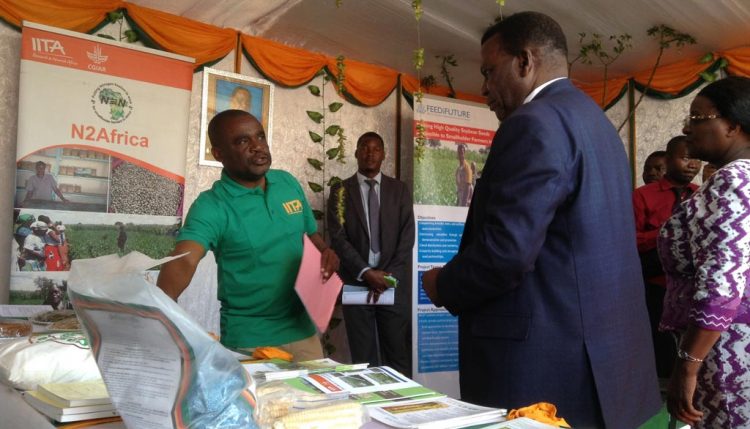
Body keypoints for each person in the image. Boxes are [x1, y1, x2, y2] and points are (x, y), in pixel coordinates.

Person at [420, 12, 660, 428]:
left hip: (543, 364)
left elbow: (506, 253)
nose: (485, 88)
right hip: (601, 361)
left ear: (525, 62)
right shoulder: (597, 124)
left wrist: (444, 285)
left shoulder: (532, 123)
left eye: (490, 71)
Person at [157, 109, 339, 360]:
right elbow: (186, 257)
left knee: (321, 398)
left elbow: (310, 236)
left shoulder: (287, 183)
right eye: (243, 141)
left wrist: (326, 252)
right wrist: (160, 314)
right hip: (251, 342)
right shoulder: (212, 205)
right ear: (218, 154)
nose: (257, 147)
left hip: (303, 333)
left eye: (260, 137)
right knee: (264, 401)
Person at [659, 76, 750, 428]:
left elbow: (723, 283)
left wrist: (687, 365)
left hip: (727, 351)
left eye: (698, 118)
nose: (686, 127)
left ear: (732, 125)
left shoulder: (734, 181)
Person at [326, 132, 415, 375]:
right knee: (362, 358)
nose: (370, 153)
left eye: (376, 148)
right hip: (357, 284)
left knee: (397, 355)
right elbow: (338, 238)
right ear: (356, 152)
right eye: (364, 147)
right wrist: (367, 273)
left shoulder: (400, 190)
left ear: (384, 154)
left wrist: (387, 277)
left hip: (392, 284)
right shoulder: (340, 191)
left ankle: (400, 406)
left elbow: (407, 239)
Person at [632, 136, 700, 379]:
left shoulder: (701, 195)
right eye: (685, 157)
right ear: (668, 160)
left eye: (696, 158)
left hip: (692, 283)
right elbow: (630, 239)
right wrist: (666, 231)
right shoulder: (643, 196)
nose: (692, 164)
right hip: (655, 283)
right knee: (657, 340)